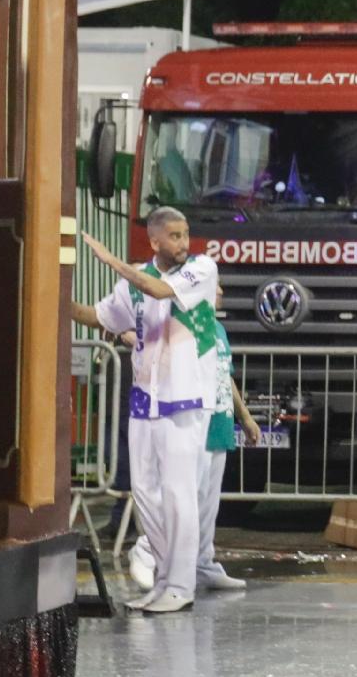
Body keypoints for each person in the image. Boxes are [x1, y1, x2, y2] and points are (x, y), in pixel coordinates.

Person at [69, 210, 220, 614]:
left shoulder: (202, 269)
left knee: (178, 493)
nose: (183, 243)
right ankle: (164, 581)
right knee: (147, 496)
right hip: (145, 401)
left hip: (184, 399)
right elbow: (96, 317)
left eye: (186, 234)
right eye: (174, 236)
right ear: (155, 242)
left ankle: (182, 584)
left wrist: (112, 261)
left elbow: (156, 289)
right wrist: (49, 292)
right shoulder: (131, 284)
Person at [127, 286, 261, 594]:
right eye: (214, 288)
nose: (222, 292)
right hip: (193, 424)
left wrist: (245, 417)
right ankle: (147, 550)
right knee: (183, 500)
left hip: (219, 424)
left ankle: (202, 563)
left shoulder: (218, 329)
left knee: (206, 505)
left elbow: (225, 376)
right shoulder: (180, 326)